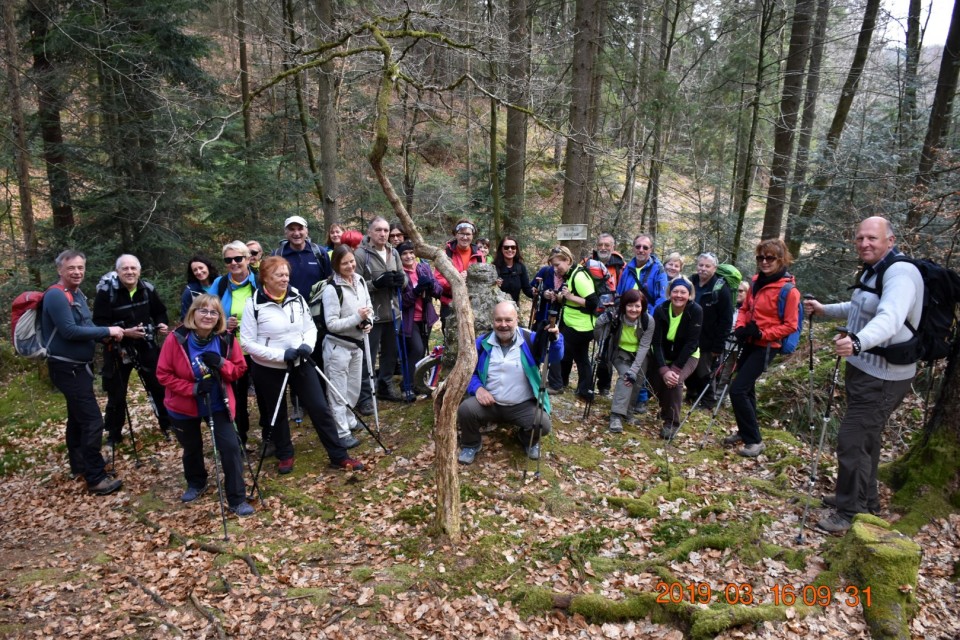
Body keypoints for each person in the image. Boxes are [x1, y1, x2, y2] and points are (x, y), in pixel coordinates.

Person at [804, 217, 923, 534]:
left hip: (885, 376)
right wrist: (825, 309)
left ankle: (850, 512)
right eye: (859, 238)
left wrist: (858, 342)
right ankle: (864, 500)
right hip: (866, 370)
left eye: (872, 238)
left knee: (852, 440)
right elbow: (860, 306)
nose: (864, 244)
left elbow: (890, 317)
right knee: (866, 439)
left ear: (890, 240)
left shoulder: (900, 274)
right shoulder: (875, 269)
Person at [240, 256, 364, 472]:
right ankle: (285, 454)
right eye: (279, 275)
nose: (284, 279)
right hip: (269, 368)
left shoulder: (296, 296)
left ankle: (338, 455)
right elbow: (247, 343)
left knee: (319, 407)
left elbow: (310, 327)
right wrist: (280, 355)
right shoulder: (254, 304)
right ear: (266, 278)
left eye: (286, 274)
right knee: (276, 412)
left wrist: (307, 344)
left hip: (301, 361)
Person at [156, 295, 253, 516]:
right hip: (183, 405)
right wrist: (193, 388)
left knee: (229, 448)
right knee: (191, 447)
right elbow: (163, 374)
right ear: (193, 313)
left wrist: (221, 363)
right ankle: (196, 482)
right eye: (203, 310)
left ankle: (237, 499)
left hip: (219, 403)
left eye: (213, 312)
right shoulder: (176, 338)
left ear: (219, 317)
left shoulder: (225, 340)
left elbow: (239, 369)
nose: (208, 316)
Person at [42, 250, 125, 495]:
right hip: (67, 368)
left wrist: (113, 332)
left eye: (80, 267)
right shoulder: (56, 296)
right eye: (71, 268)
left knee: (78, 418)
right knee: (92, 420)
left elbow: (86, 326)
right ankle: (96, 478)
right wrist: (107, 331)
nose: (77, 272)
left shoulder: (75, 294)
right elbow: (68, 331)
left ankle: (80, 465)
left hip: (78, 368)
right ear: (60, 270)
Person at [457, 301, 564, 465]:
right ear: (492, 321)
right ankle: (471, 444)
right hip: (490, 403)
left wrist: (555, 338)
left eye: (508, 320)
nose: (503, 325)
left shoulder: (529, 339)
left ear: (516, 320)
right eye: (498, 320)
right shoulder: (482, 342)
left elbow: (555, 356)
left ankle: (526, 439)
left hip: (522, 404)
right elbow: (467, 372)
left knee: (542, 423)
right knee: (465, 409)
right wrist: (477, 389)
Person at [725, 239, 801, 457]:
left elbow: (790, 325)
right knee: (746, 388)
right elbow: (745, 308)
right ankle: (746, 430)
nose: (764, 262)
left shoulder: (789, 291)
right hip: (749, 341)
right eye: (761, 257)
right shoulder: (756, 282)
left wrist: (763, 334)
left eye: (770, 258)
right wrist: (741, 327)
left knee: (738, 389)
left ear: (781, 260)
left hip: (768, 346)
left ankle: (755, 441)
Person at [93, 254, 172, 445]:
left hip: (146, 345)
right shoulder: (106, 293)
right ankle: (114, 434)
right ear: (118, 271)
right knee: (116, 393)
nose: (129, 272)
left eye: (133, 268)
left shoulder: (147, 289)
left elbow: (160, 311)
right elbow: (98, 324)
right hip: (117, 349)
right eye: (125, 269)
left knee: (158, 386)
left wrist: (161, 324)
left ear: (139, 270)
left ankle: (168, 423)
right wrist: (124, 333)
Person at [322, 246, 374, 448]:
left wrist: (368, 321)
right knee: (337, 390)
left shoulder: (360, 280)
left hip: (357, 344)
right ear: (336, 264)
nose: (350, 266)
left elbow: (368, 306)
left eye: (351, 261)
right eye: (344, 263)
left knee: (354, 387)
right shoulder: (331, 289)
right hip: (337, 348)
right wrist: (356, 318)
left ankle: (350, 420)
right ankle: (341, 431)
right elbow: (331, 324)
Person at [354, 216, 407, 409]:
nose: (383, 234)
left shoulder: (393, 253)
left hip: (393, 313)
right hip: (372, 315)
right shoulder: (361, 255)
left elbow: (404, 279)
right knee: (368, 355)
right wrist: (375, 284)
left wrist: (402, 280)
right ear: (369, 232)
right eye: (378, 230)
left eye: (385, 230)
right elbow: (354, 286)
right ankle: (365, 396)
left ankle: (385, 385)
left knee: (390, 354)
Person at [211, 241, 259, 448]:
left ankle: (271, 437)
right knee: (236, 396)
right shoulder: (220, 284)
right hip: (231, 350)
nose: (234, 263)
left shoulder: (259, 281)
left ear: (248, 259)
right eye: (228, 260)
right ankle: (240, 440)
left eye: (238, 258)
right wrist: (222, 322)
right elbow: (207, 313)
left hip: (258, 348)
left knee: (265, 394)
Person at [616, 234, 669, 413]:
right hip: (627, 318)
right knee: (629, 352)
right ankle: (631, 396)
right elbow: (620, 292)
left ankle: (642, 397)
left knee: (644, 355)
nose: (641, 250)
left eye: (645, 247)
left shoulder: (658, 270)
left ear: (651, 250)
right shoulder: (628, 268)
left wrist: (647, 318)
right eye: (638, 246)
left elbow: (662, 299)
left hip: (647, 320)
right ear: (633, 248)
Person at [595, 289, 655, 433]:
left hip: (640, 354)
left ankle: (628, 413)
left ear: (643, 307)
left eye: (637, 306)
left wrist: (635, 370)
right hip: (619, 353)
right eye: (630, 305)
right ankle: (616, 415)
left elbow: (644, 346)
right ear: (624, 306)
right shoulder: (616, 317)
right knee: (626, 377)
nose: (633, 309)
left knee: (637, 381)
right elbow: (599, 337)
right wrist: (600, 321)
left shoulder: (648, 321)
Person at [649, 277, 702, 439]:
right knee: (657, 379)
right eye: (675, 291)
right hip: (664, 354)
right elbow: (656, 342)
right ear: (670, 293)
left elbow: (692, 343)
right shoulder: (661, 310)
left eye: (683, 292)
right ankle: (665, 410)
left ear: (690, 294)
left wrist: (674, 369)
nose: (679, 295)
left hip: (688, 355)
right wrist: (664, 368)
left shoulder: (695, 311)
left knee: (674, 380)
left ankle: (671, 423)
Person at [543, 246, 597, 401]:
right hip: (575, 323)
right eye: (553, 265)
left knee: (557, 347)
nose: (555, 269)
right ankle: (584, 390)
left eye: (558, 265)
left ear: (567, 260)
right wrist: (562, 297)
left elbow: (593, 303)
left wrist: (570, 297)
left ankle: (557, 384)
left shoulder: (579, 276)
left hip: (580, 326)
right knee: (579, 357)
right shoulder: (572, 273)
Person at [685, 252, 733, 409]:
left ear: (715, 268)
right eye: (700, 265)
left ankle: (707, 401)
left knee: (703, 371)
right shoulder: (690, 281)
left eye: (707, 266)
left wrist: (718, 346)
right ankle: (692, 393)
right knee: (688, 367)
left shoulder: (720, 288)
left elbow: (726, 320)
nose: (703, 269)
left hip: (708, 339)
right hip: (689, 336)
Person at [592, 233, 627, 395]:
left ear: (613, 248)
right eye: (601, 245)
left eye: (607, 245)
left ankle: (604, 386)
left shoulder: (620, 267)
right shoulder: (588, 263)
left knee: (605, 351)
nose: (603, 248)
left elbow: (623, 289)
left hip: (610, 314)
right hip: (589, 311)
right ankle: (585, 382)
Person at [434, 219, 483, 327]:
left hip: (473, 303)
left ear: (473, 235)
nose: (465, 237)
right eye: (461, 233)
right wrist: (456, 279)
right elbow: (438, 280)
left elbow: (482, 279)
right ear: (455, 234)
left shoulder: (479, 255)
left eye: (468, 234)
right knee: (450, 338)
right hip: (450, 303)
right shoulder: (445, 253)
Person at [398, 241, 441, 364]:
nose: (409, 256)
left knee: (422, 351)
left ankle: (417, 381)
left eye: (411, 253)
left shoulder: (424, 268)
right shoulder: (400, 274)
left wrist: (431, 285)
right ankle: (409, 382)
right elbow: (402, 302)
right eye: (404, 253)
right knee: (417, 349)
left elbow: (439, 291)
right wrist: (416, 291)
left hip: (426, 317)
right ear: (399, 257)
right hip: (408, 319)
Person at [273, 215, 333, 301]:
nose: (296, 233)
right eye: (292, 229)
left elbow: (329, 280)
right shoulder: (277, 255)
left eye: (300, 229)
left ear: (306, 231)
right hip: (287, 307)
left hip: (316, 307)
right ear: (286, 232)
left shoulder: (320, 253)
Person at [493, 236, 533, 305]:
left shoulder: (521, 267)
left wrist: (536, 293)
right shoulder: (494, 268)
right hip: (497, 308)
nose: (510, 249)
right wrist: (495, 285)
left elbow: (527, 289)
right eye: (506, 247)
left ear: (516, 249)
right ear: (501, 249)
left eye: (513, 247)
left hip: (514, 308)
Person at [180, 256, 219, 321]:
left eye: (201, 268)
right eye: (195, 270)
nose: (199, 272)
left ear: (208, 267)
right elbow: (185, 317)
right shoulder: (190, 291)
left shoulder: (221, 284)